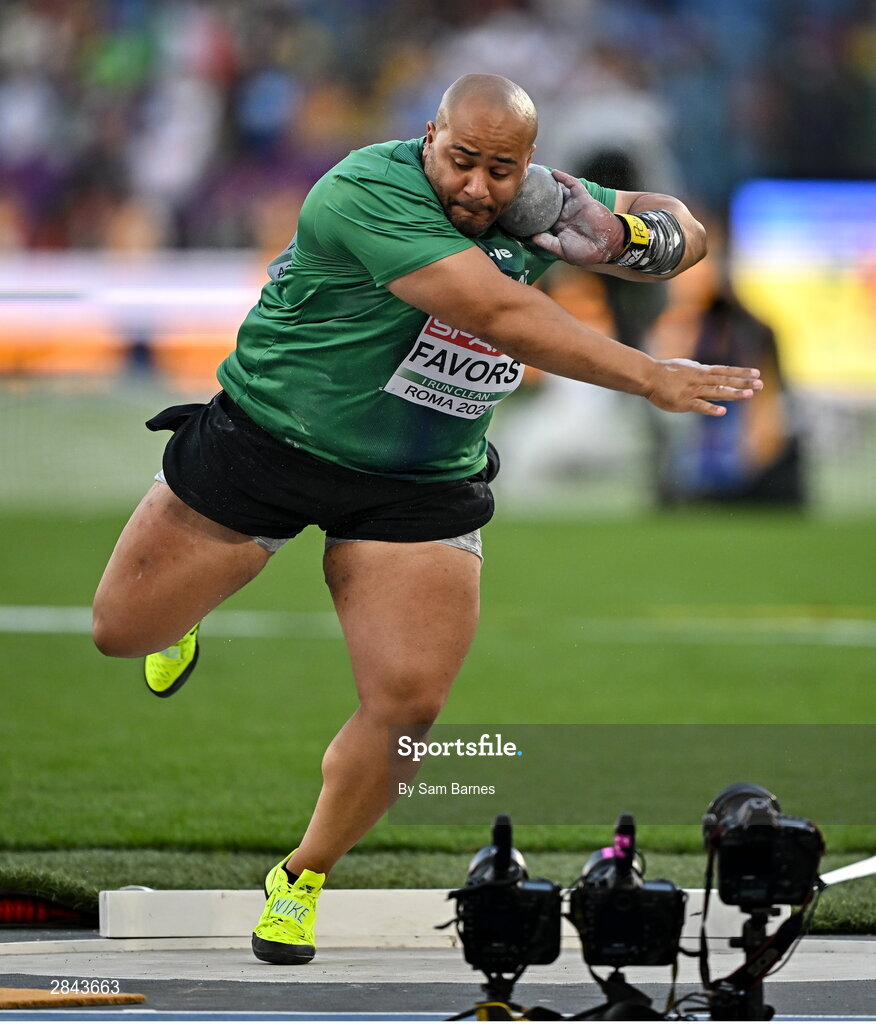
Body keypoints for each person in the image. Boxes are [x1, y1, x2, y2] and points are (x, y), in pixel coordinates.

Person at [91, 74, 762, 966]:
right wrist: (649, 374)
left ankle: (302, 877)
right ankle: (182, 619)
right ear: (429, 137)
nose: (478, 188)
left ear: (524, 162)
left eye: (501, 170)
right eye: (462, 162)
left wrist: (629, 233)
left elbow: (686, 231)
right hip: (269, 437)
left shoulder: (535, 201)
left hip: (417, 478)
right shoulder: (363, 191)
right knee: (122, 633)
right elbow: (497, 311)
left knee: (410, 702)